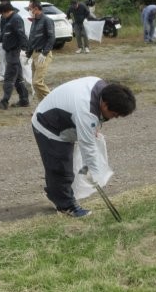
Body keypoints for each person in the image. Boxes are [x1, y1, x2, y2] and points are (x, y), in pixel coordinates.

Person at [32, 77, 136, 217]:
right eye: (114, 115)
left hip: (62, 116)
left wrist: (94, 125)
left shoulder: (102, 88)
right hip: (48, 124)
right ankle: (65, 206)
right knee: (61, 168)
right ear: (105, 105)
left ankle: (56, 194)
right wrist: (93, 173)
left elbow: (91, 125)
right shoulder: (86, 111)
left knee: (63, 165)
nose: (114, 118)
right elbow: (88, 148)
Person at [0, 2, 30, 110]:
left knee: (8, 78)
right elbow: (4, 34)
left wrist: (25, 49)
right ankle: (24, 100)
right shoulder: (9, 20)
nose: (1, 16)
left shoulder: (16, 19)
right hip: (10, 52)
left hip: (14, 52)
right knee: (18, 78)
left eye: (2, 13)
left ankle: (4, 102)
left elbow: (21, 35)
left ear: (6, 11)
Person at [27, 0, 56, 101]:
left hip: (43, 55)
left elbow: (51, 38)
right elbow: (32, 38)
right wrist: (28, 54)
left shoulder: (47, 20)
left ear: (35, 8)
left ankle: (54, 100)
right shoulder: (35, 21)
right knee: (35, 84)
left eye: (30, 8)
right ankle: (42, 106)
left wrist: (44, 53)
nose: (29, 11)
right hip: (35, 54)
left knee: (37, 82)